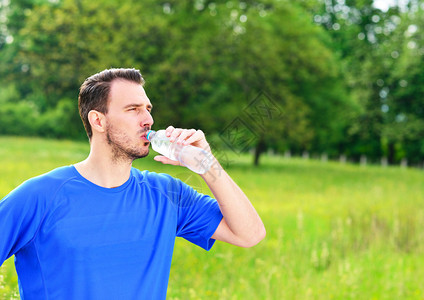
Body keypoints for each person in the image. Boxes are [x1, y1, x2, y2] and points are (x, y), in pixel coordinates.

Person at [0, 68, 265, 299]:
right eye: (133, 109)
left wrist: (208, 165)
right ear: (98, 120)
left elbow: (249, 234)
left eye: (147, 109)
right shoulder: (40, 196)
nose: (148, 119)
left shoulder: (167, 194)